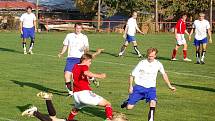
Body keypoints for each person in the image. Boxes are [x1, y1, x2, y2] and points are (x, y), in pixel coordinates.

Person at [120, 48, 176, 121]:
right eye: (149, 56)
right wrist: (130, 86)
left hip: (151, 88)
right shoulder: (142, 63)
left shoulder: (158, 64)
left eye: (152, 56)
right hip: (139, 87)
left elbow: (164, 74)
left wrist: (170, 86)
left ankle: (151, 119)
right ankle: (128, 101)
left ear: (155, 56)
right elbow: (132, 75)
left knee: (153, 102)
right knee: (129, 107)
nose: (150, 58)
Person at [58, 23, 103, 95]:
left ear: (81, 29)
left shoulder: (84, 37)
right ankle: (71, 92)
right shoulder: (69, 36)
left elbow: (87, 48)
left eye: (80, 28)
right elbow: (65, 45)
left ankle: (93, 79)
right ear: (74, 28)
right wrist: (61, 53)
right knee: (67, 75)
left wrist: (85, 48)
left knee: (83, 75)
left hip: (80, 59)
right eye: (77, 28)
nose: (78, 30)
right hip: (70, 59)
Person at [67, 53, 113, 121]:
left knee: (76, 109)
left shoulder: (75, 66)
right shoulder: (84, 66)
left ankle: (69, 119)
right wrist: (100, 76)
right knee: (107, 103)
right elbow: (86, 73)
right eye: (89, 61)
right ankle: (110, 118)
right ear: (84, 60)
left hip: (76, 95)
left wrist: (92, 79)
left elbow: (84, 75)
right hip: (84, 94)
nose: (90, 63)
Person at [22, 92, 125, 121]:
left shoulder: (109, 118)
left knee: (53, 118)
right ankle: (35, 112)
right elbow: (108, 106)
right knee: (53, 120)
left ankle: (47, 100)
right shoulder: (109, 118)